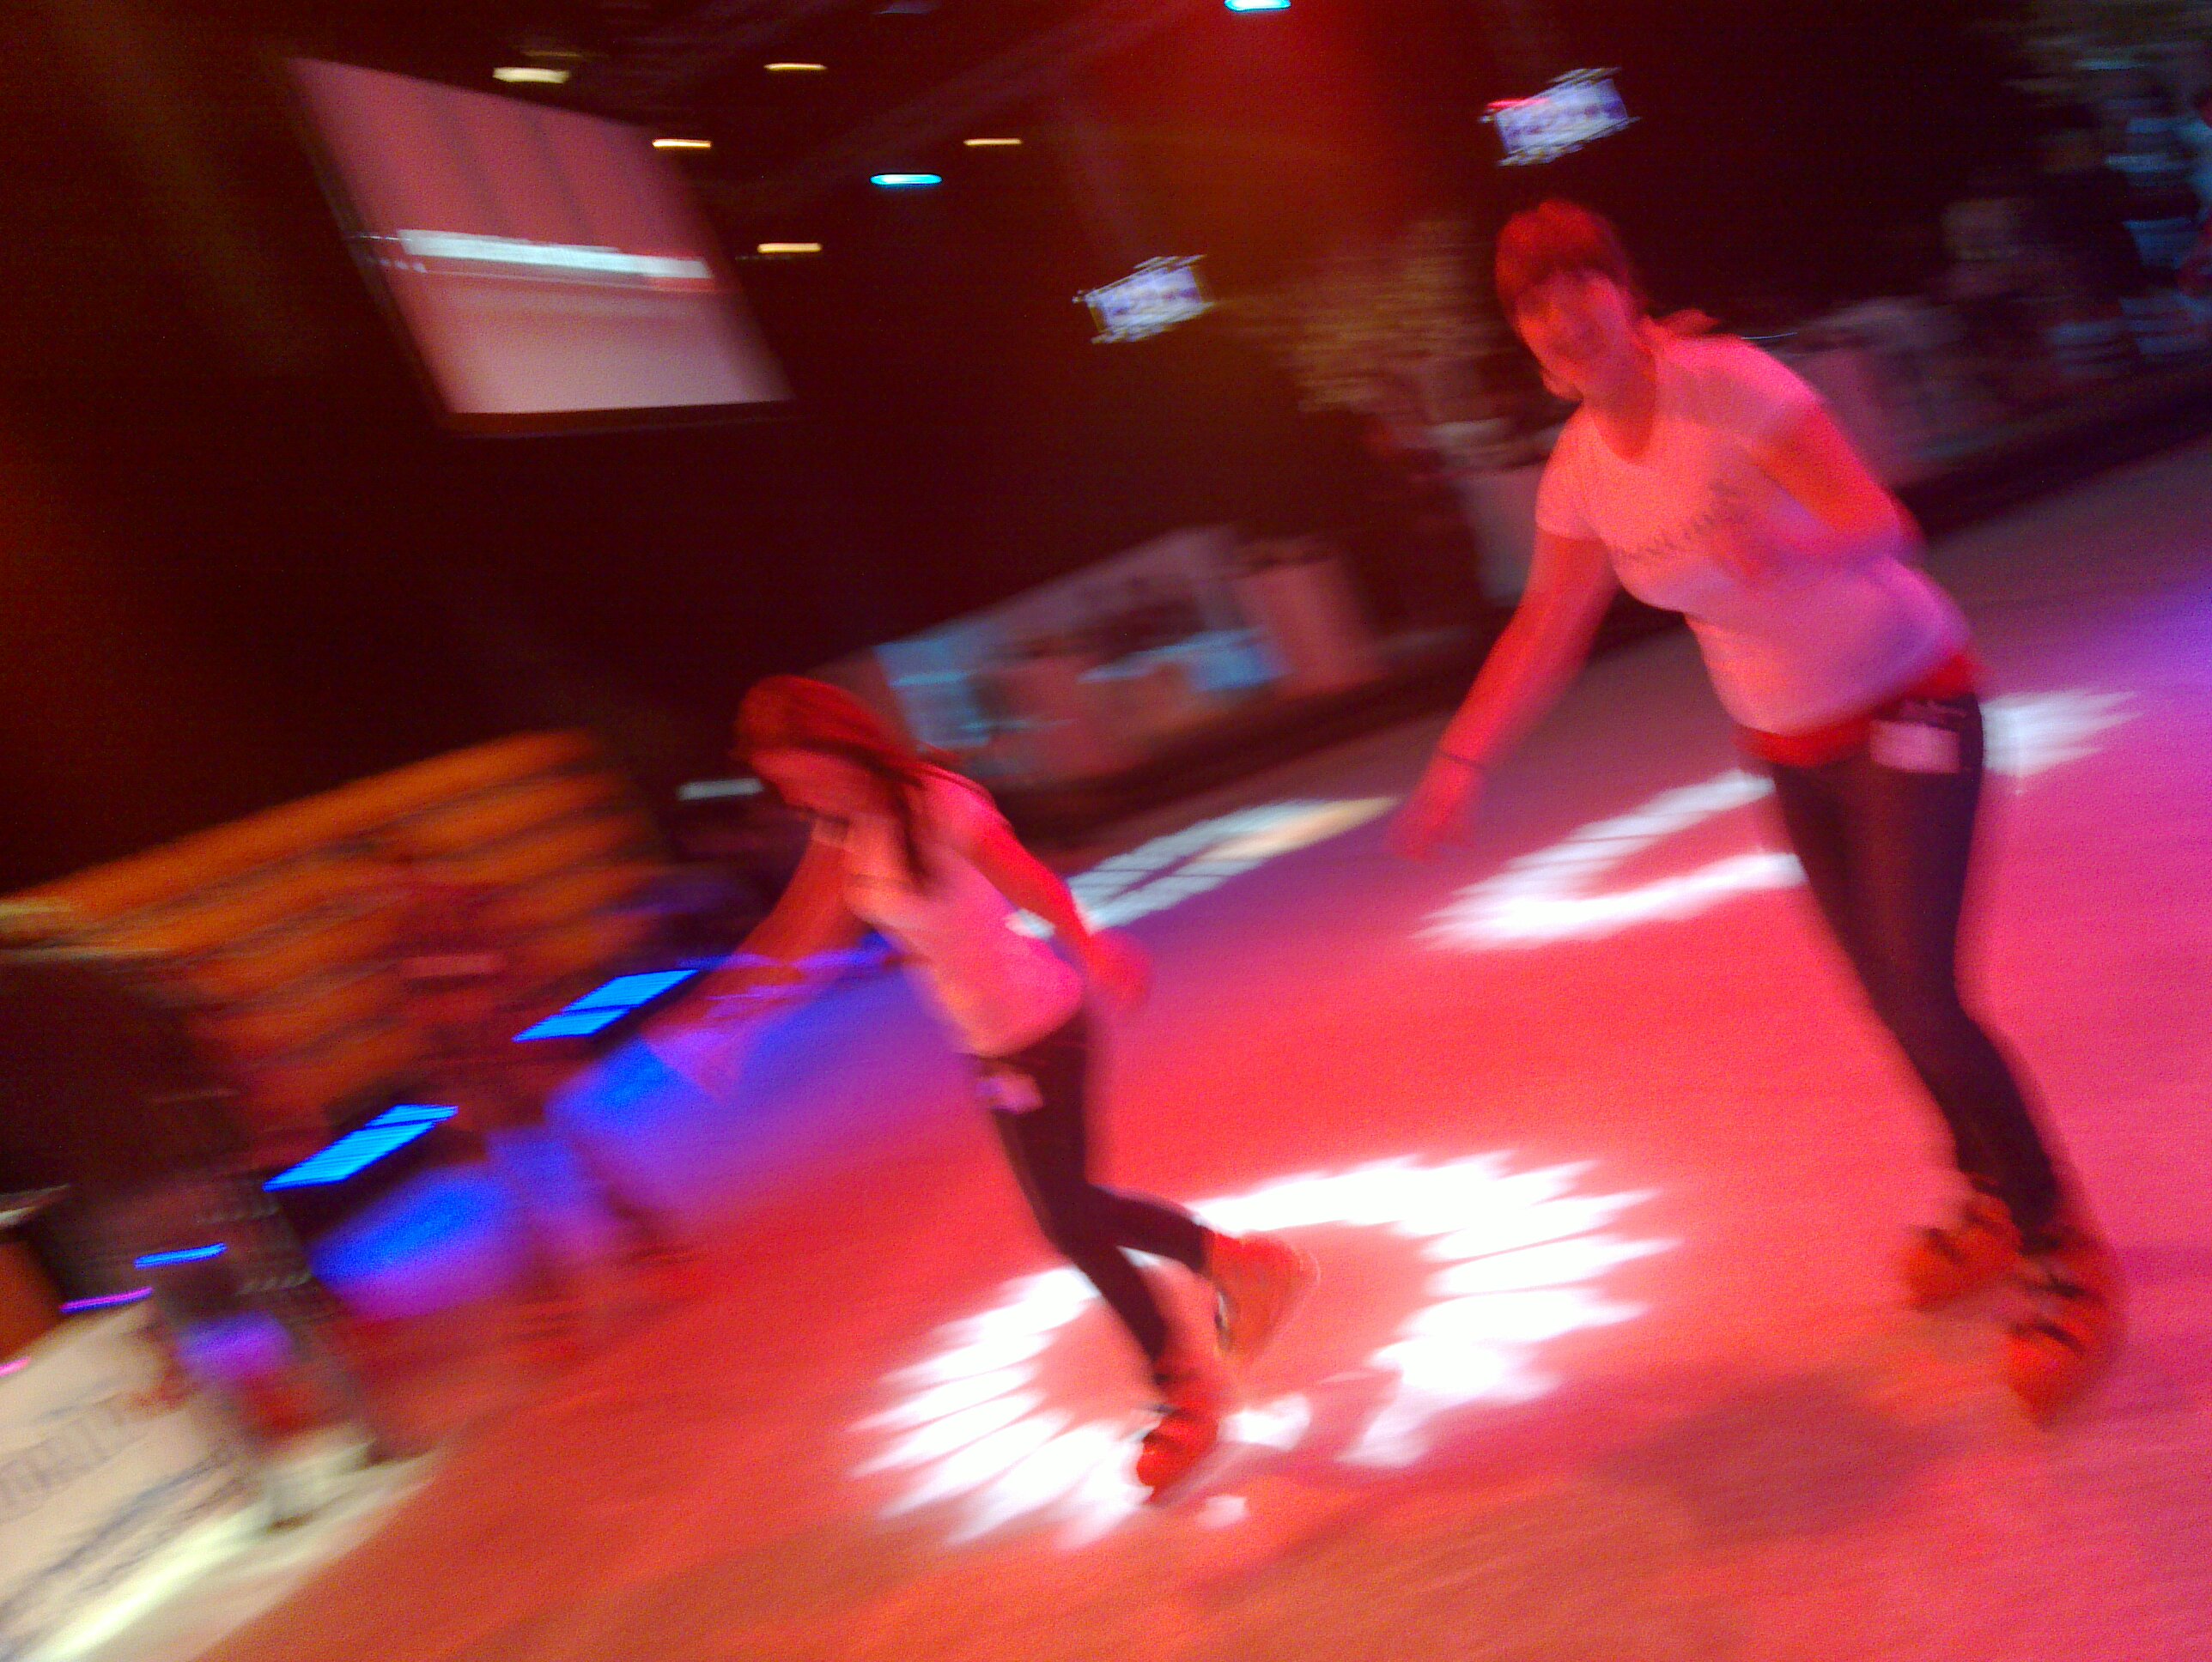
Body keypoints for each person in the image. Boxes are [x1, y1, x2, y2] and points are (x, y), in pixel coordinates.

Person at [1393, 201, 2118, 1420]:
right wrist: (1462, 759)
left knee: (1924, 988)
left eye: (1580, 286)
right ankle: (1990, 1192)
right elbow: (1546, 626)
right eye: (1534, 303)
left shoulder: (1725, 385)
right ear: (1520, 337)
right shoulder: (1580, 472)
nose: (1564, 317)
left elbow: (1883, 521)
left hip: (1911, 700)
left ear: (1624, 289)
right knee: (1883, 992)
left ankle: (2062, 1245)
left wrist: (1788, 542)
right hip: (1790, 749)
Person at [714, 676, 1314, 1498]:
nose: (794, 797)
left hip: (1044, 1030)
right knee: (1073, 1217)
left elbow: (1029, 880)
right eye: (783, 785)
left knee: (1070, 1221)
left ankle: (1193, 1372)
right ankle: (1231, 1277)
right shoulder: (840, 828)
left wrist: (1091, 945)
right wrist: (730, 1013)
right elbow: (802, 932)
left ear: (835, 748)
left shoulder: (937, 801)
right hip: (993, 1053)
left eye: (799, 776)